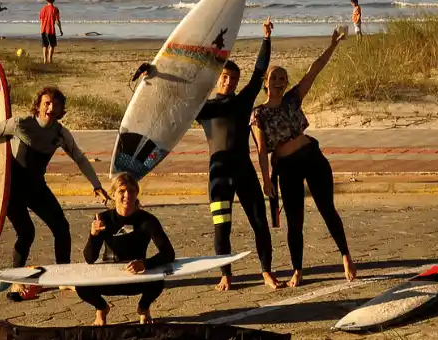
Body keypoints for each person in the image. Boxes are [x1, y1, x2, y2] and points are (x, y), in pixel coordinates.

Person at [0, 86, 109, 300]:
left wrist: (96, 184)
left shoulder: (60, 134)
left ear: (61, 110)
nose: (51, 107)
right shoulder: (20, 124)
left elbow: (79, 157)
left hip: (36, 188)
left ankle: (63, 277)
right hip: (13, 190)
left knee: (61, 227)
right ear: (38, 105)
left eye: (56, 104)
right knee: (27, 232)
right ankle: (16, 283)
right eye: (47, 103)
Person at [251, 27, 355, 288]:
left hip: (313, 158)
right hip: (287, 168)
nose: (278, 81)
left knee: (327, 209)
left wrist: (333, 45)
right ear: (265, 81)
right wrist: (265, 180)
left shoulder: (292, 99)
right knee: (294, 220)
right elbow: (262, 151)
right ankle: (297, 269)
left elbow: (314, 70)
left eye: (282, 78)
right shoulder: (258, 114)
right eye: (274, 77)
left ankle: (346, 255)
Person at [195, 17, 281, 291]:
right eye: (224, 77)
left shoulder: (243, 102)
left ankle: (266, 271)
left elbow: (259, 72)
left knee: (259, 222)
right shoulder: (203, 108)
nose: (229, 81)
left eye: (233, 78)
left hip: (243, 170)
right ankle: (225, 274)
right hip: (218, 173)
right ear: (216, 78)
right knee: (222, 227)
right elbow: (176, 100)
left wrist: (266, 38)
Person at [78, 172, 174, 326]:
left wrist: (145, 264)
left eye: (131, 190)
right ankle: (101, 308)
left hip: (137, 275)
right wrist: (93, 235)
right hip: (109, 276)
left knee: (158, 280)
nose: (127, 195)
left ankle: (143, 308)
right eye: (121, 191)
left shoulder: (148, 220)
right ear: (113, 194)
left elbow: (168, 253)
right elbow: (89, 259)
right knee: (81, 286)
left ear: (137, 193)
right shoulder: (103, 219)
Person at [40, 0, 63, 64]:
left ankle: (45, 60)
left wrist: (41, 28)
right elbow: (57, 21)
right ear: (54, 0)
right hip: (51, 30)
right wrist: (60, 29)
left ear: (46, 0)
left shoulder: (43, 9)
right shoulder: (55, 9)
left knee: (45, 45)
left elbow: (41, 20)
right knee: (52, 45)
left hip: (43, 29)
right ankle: (50, 60)